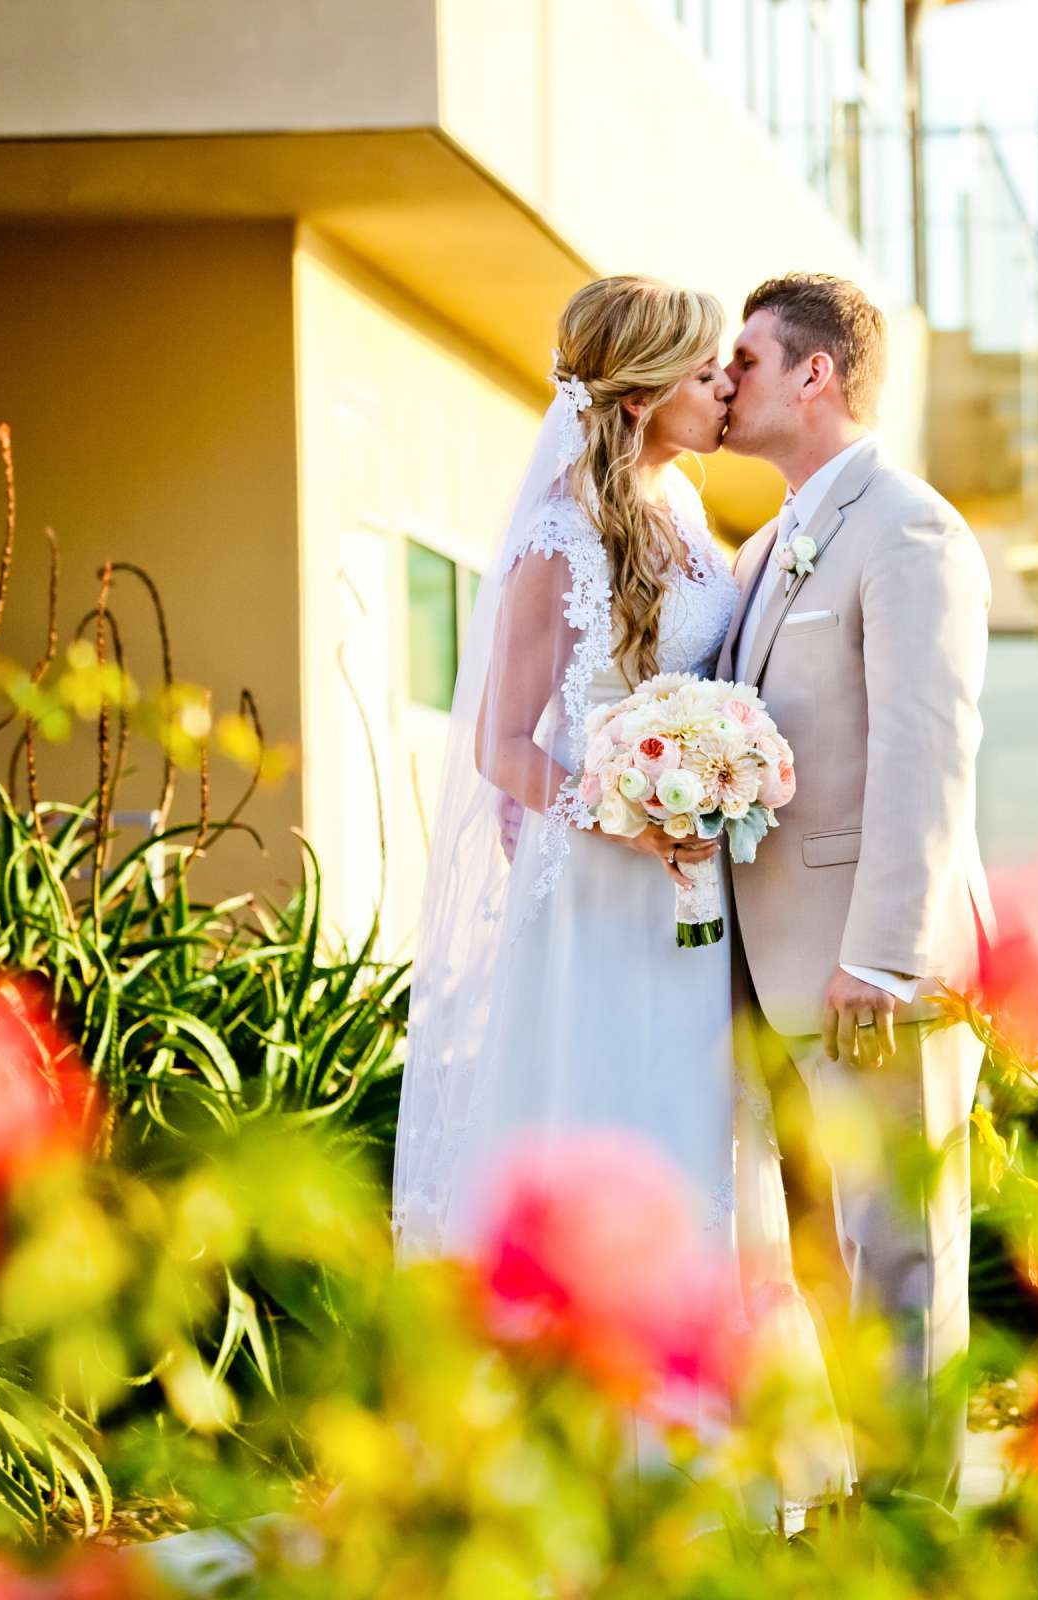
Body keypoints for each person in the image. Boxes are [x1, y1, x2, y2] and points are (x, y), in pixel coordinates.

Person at [392, 274, 847, 1516]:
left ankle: (706, 1442)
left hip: (688, 905)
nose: (724, 388)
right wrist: (628, 807)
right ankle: (593, 1449)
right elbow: (503, 744)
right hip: (598, 900)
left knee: (699, 1141)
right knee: (609, 1133)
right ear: (645, 390)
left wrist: (713, 774)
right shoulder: (556, 536)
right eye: (707, 371)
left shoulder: (688, 507)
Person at [718, 272, 992, 1506]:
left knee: (900, 1266)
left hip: (874, 974)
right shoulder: (768, 544)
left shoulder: (912, 529)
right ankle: (864, 1516)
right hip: (777, 974)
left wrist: (884, 953)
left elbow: (926, 749)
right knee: (828, 1268)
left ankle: (918, 1534)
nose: (727, 384)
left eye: (750, 361)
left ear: (816, 375)